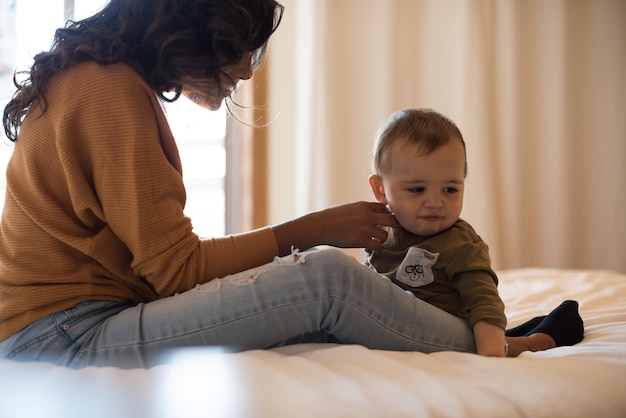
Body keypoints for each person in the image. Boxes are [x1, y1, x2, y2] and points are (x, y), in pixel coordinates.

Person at [1, 0, 490, 369]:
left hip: (64, 325)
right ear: (187, 26)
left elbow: (163, 264)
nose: (244, 70)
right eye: (236, 47)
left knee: (311, 294)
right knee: (329, 282)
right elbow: (177, 269)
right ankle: (489, 342)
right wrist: (314, 228)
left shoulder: (95, 78)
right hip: (62, 335)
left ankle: (467, 329)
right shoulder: (106, 90)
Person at [365, 108, 584, 357]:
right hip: (394, 324)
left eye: (450, 189)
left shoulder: (460, 243)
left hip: (444, 330)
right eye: (417, 189)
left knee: (491, 338)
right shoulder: (379, 232)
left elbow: (484, 302)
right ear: (380, 189)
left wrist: (491, 355)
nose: (435, 202)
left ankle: (534, 341)